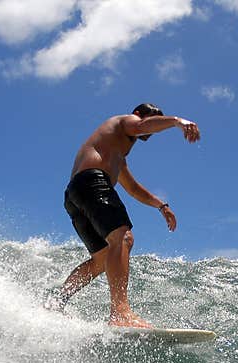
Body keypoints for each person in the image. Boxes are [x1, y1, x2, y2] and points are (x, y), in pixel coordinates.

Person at [47, 103, 200, 327]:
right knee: (123, 237)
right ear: (139, 115)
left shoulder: (116, 155)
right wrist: (178, 121)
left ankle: (56, 303)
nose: (150, 130)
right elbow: (141, 126)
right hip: (91, 182)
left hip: (75, 194)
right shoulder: (125, 120)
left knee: (101, 259)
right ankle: (120, 313)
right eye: (152, 121)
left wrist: (161, 206)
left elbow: (133, 188)